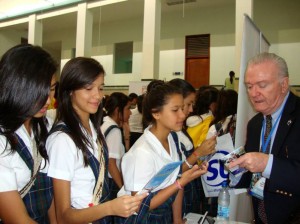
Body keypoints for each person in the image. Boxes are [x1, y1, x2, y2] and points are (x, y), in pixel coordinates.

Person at [46, 57, 147, 223]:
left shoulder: (93, 128)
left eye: (100, 88)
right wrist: (110, 208)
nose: (97, 95)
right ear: (70, 90)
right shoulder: (62, 140)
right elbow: (63, 216)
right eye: (88, 88)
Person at [120, 80, 209, 223]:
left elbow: (176, 177)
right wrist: (180, 182)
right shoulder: (142, 152)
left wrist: (177, 219)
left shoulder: (172, 139)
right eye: (175, 110)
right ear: (156, 113)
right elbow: (139, 206)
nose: (182, 115)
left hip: (165, 214)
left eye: (182, 108)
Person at [228, 52, 300, 223]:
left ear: (284, 85)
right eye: (249, 86)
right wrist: (236, 171)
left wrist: (267, 163)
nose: (253, 93)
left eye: (262, 85)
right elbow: (253, 177)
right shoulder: (255, 123)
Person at [0, 44, 58, 223]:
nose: (48, 100)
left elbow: (51, 193)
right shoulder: (3, 138)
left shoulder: (45, 125)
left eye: (52, 88)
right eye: (39, 90)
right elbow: (16, 219)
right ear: (17, 86)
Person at [169, 78, 216, 215]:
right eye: (188, 104)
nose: (191, 109)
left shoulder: (179, 128)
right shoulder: (168, 133)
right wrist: (198, 153)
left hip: (187, 192)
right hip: (178, 195)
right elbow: (172, 172)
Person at [101, 92, 131, 200]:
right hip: (111, 182)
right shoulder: (114, 130)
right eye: (128, 108)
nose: (130, 112)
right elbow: (111, 164)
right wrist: (123, 188)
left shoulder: (105, 124)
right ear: (117, 110)